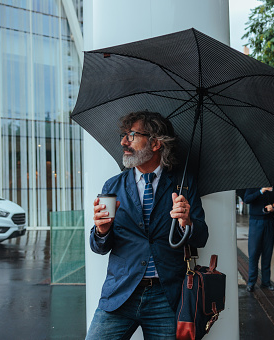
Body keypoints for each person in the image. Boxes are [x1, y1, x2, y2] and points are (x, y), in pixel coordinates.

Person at [86, 111, 209, 340]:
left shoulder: (183, 184)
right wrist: (101, 231)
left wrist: (187, 222)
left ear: (155, 144)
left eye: (132, 135)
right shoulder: (113, 186)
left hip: (167, 297)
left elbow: (201, 237)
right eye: (124, 135)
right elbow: (99, 247)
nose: (123, 142)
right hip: (120, 294)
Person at [243, 187, 274, 292]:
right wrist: (261, 191)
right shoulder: (252, 186)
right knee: (253, 253)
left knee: (267, 253)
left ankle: (266, 282)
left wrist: (273, 207)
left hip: (269, 222)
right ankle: (251, 282)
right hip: (256, 222)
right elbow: (247, 199)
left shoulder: (273, 187)